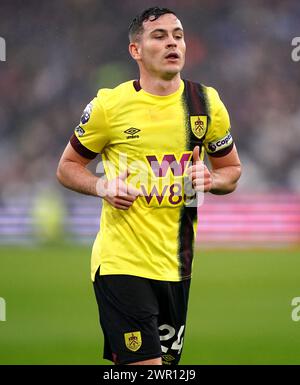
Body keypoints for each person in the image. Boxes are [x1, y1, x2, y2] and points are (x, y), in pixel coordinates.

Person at [56, 6, 241, 365]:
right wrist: (102, 187)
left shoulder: (206, 103)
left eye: (178, 35)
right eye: (159, 36)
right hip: (121, 263)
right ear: (136, 50)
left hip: (177, 267)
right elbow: (67, 167)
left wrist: (213, 179)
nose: (172, 42)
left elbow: (231, 169)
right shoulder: (109, 106)